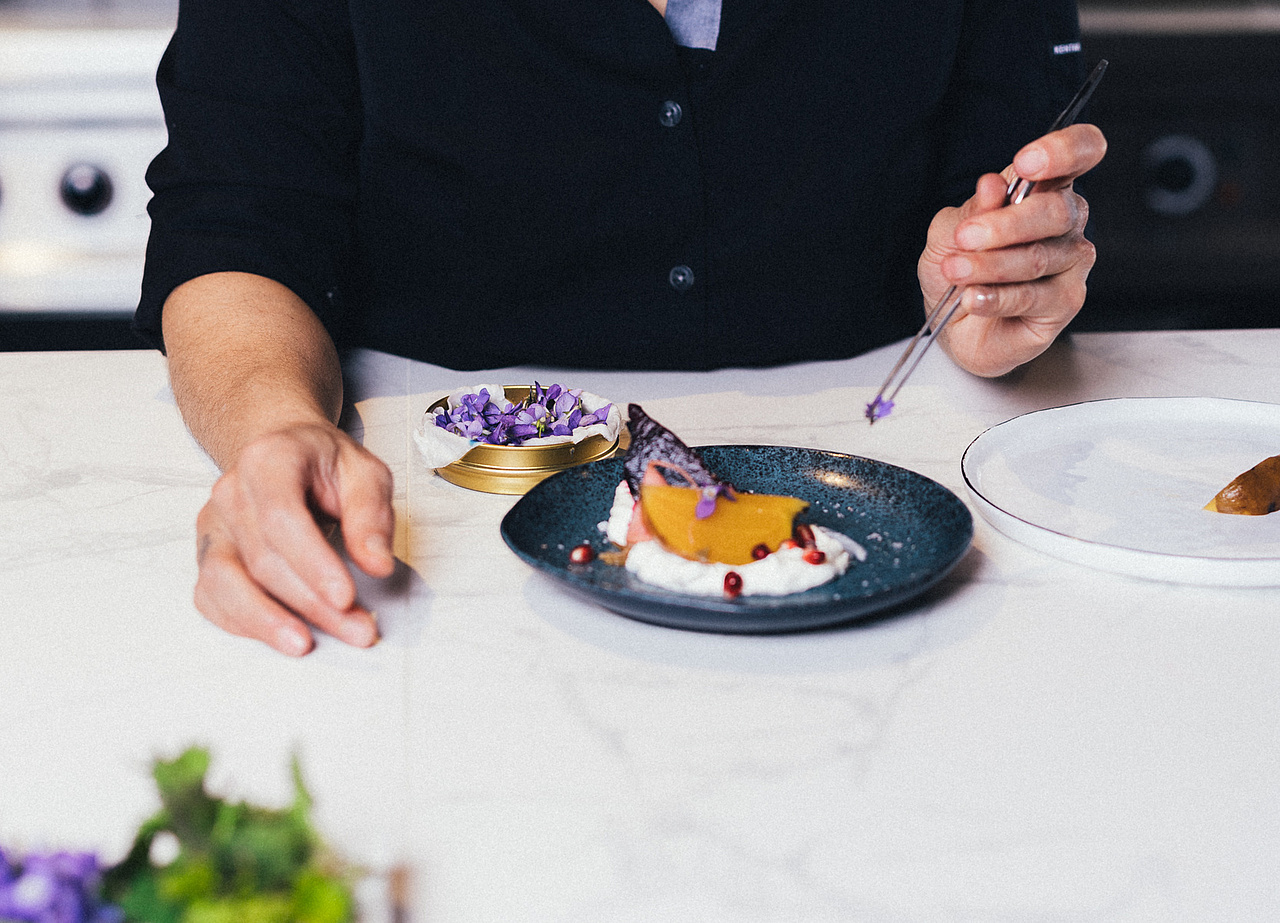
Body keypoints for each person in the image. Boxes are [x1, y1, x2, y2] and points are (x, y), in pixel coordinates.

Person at [134, 0, 1107, 656]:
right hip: (426, 534)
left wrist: (988, 284)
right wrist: (274, 428)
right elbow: (234, 221)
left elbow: (1002, 192)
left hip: (888, 520)